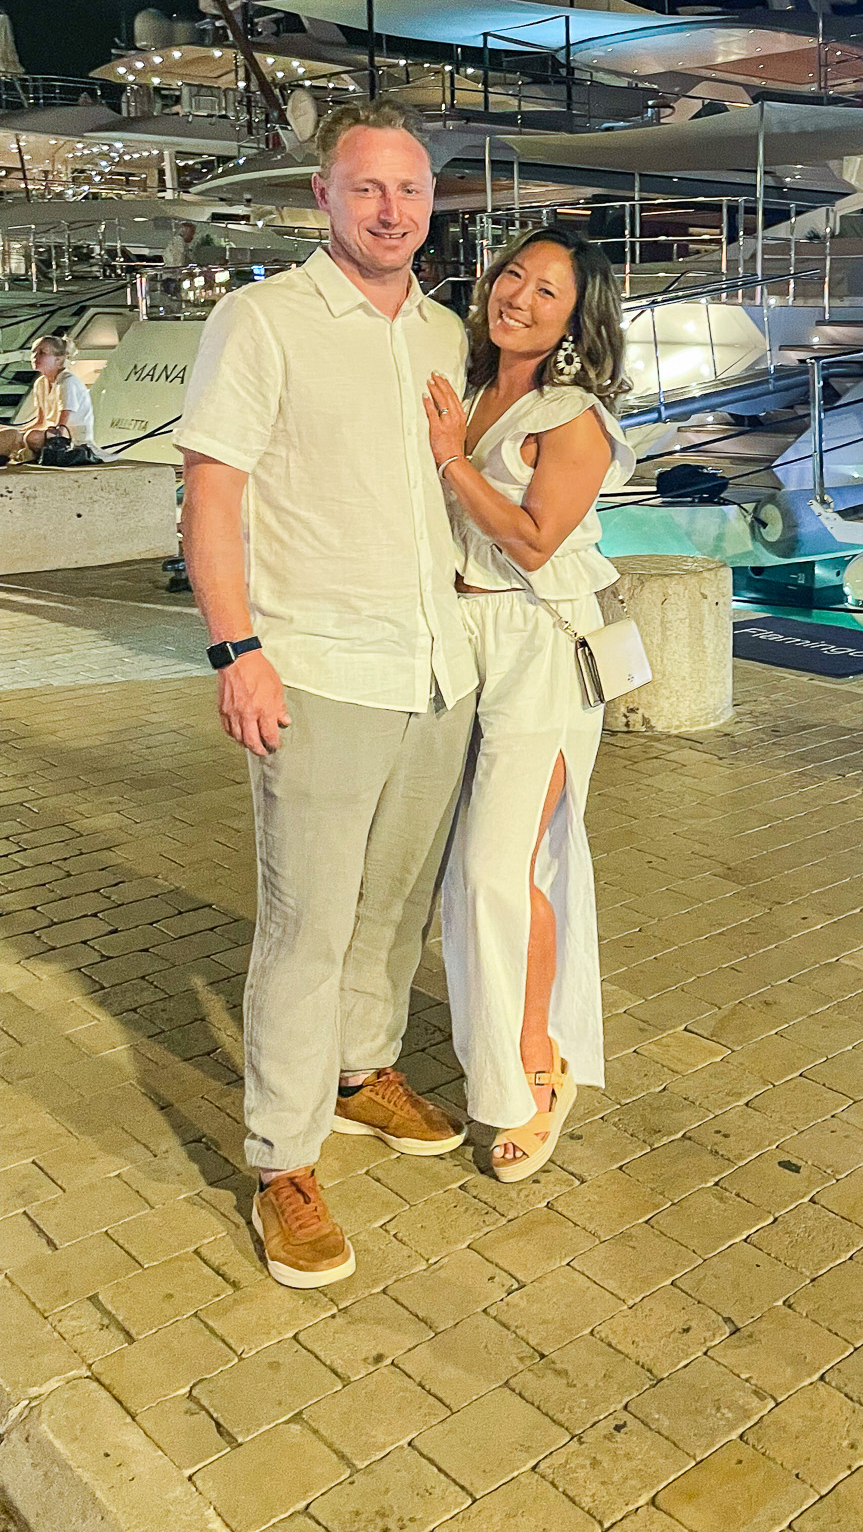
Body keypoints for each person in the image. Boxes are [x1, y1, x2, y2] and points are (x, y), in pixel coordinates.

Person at [176, 99, 477, 1290]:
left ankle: (361, 1071)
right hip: (319, 666)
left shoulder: (445, 333)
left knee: (393, 905)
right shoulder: (262, 321)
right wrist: (234, 646)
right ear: (323, 198)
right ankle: (281, 1154)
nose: (392, 208)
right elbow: (212, 494)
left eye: (409, 189)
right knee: (304, 924)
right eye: (367, 188)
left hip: (433, 664)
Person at [423, 225, 632, 1183]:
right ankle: (516, 1048)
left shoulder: (570, 414)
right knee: (484, 874)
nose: (519, 295)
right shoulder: (472, 386)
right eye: (513, 273)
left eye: (547, 291)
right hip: (461, 645)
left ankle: (533, 1071)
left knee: (497, 874)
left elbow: (539, 540)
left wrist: (451, 461)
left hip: (539, 650)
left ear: (573, 320)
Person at [0, 337, 95, 461]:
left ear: (58, 359)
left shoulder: (68, 381)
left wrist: (20, 435)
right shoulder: (40, 383)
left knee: (30, 436)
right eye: (34, 352)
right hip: (49, 433)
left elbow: (61, 428)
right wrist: (18, 431)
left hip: (71, 438)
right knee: (8, 432)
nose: (35, 356)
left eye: (42, 353)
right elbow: (41, 421)